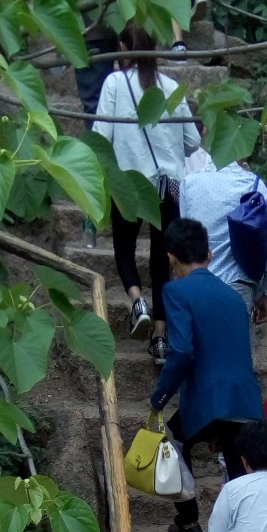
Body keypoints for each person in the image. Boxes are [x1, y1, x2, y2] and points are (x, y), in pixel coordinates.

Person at [149, 216, 264, 532]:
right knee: (236, 462)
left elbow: (182, 351)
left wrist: (160, 396)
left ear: (171, 256)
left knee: (172, 436)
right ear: (209, 255)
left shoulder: (176, 290)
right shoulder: (231, 296)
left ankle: (188, 523)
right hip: (244, 398)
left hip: (208, 399)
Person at [93, 27, 199, 357]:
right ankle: (160, 336)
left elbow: (101, 135)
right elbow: (193, 141)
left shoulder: (115, 83)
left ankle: (138, 301)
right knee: (160, 258)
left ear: (123, 49)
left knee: (124, 247)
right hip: (169, 187)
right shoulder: (170, 88)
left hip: (129, 184)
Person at [179, 157, 267, 320]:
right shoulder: (251, 184)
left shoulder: (188, 183)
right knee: (237, 345)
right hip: (236, 290)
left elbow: (183, 238)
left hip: (196, 288)